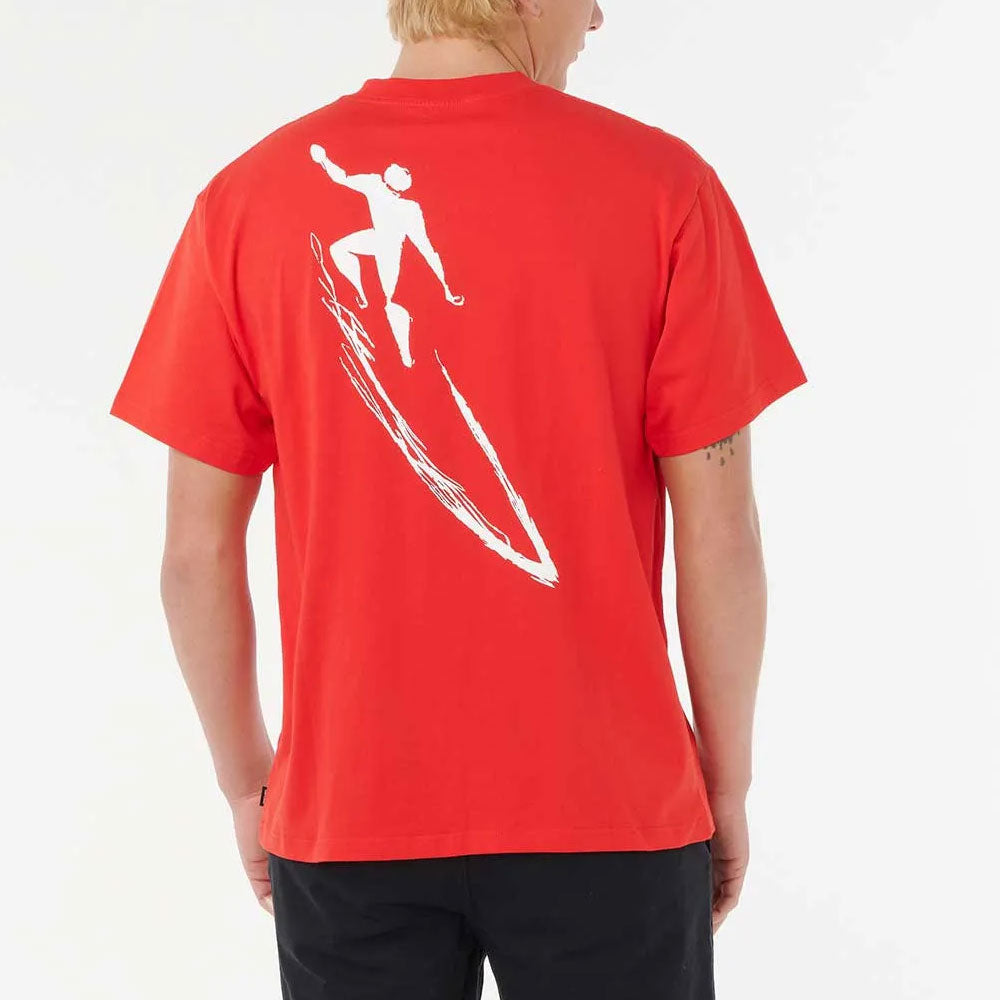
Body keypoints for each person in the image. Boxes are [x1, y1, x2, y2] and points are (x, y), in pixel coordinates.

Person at [110, 1, 807, 997]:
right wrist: (725, 781)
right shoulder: (663, 188)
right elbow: (720, 533)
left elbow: (193, 556)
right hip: (608, 808)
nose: (598, 17)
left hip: (348, 809)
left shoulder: (248, 199)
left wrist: (247, 782)